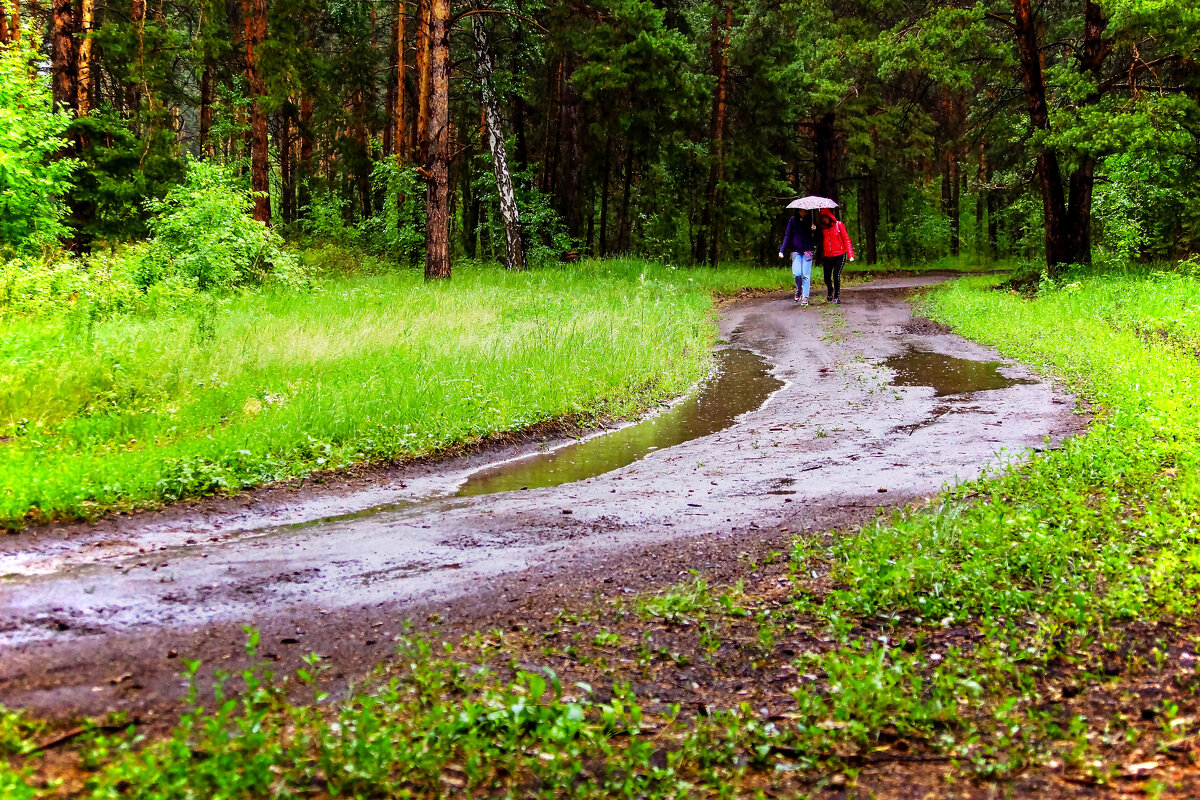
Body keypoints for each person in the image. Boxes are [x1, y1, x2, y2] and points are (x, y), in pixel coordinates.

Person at [778, 209, 818, 306]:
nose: (803, 213)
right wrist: (782, 250)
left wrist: (814, 231)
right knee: (797, 274)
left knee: (806, 275)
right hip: (796, 251)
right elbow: (787, 235)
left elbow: (816, 238)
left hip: (808, 250)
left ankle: (805, 297)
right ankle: (799, 289)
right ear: (798, 211)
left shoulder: (811, 220)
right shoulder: (792, 220)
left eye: (805, 212)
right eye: (801, 211)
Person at [816, 209, 855, 304]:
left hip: (840, 254)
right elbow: (816, 241)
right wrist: (814, 230)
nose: (825, 220)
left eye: (826, 217)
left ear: (830, 217)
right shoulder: (821, 228)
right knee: (826, 277)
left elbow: (846, 239)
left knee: (836, 274)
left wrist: (850, 254)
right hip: (827, 256)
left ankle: (836, 297)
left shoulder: (839, 225)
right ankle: (830, 289)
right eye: (823, 218)